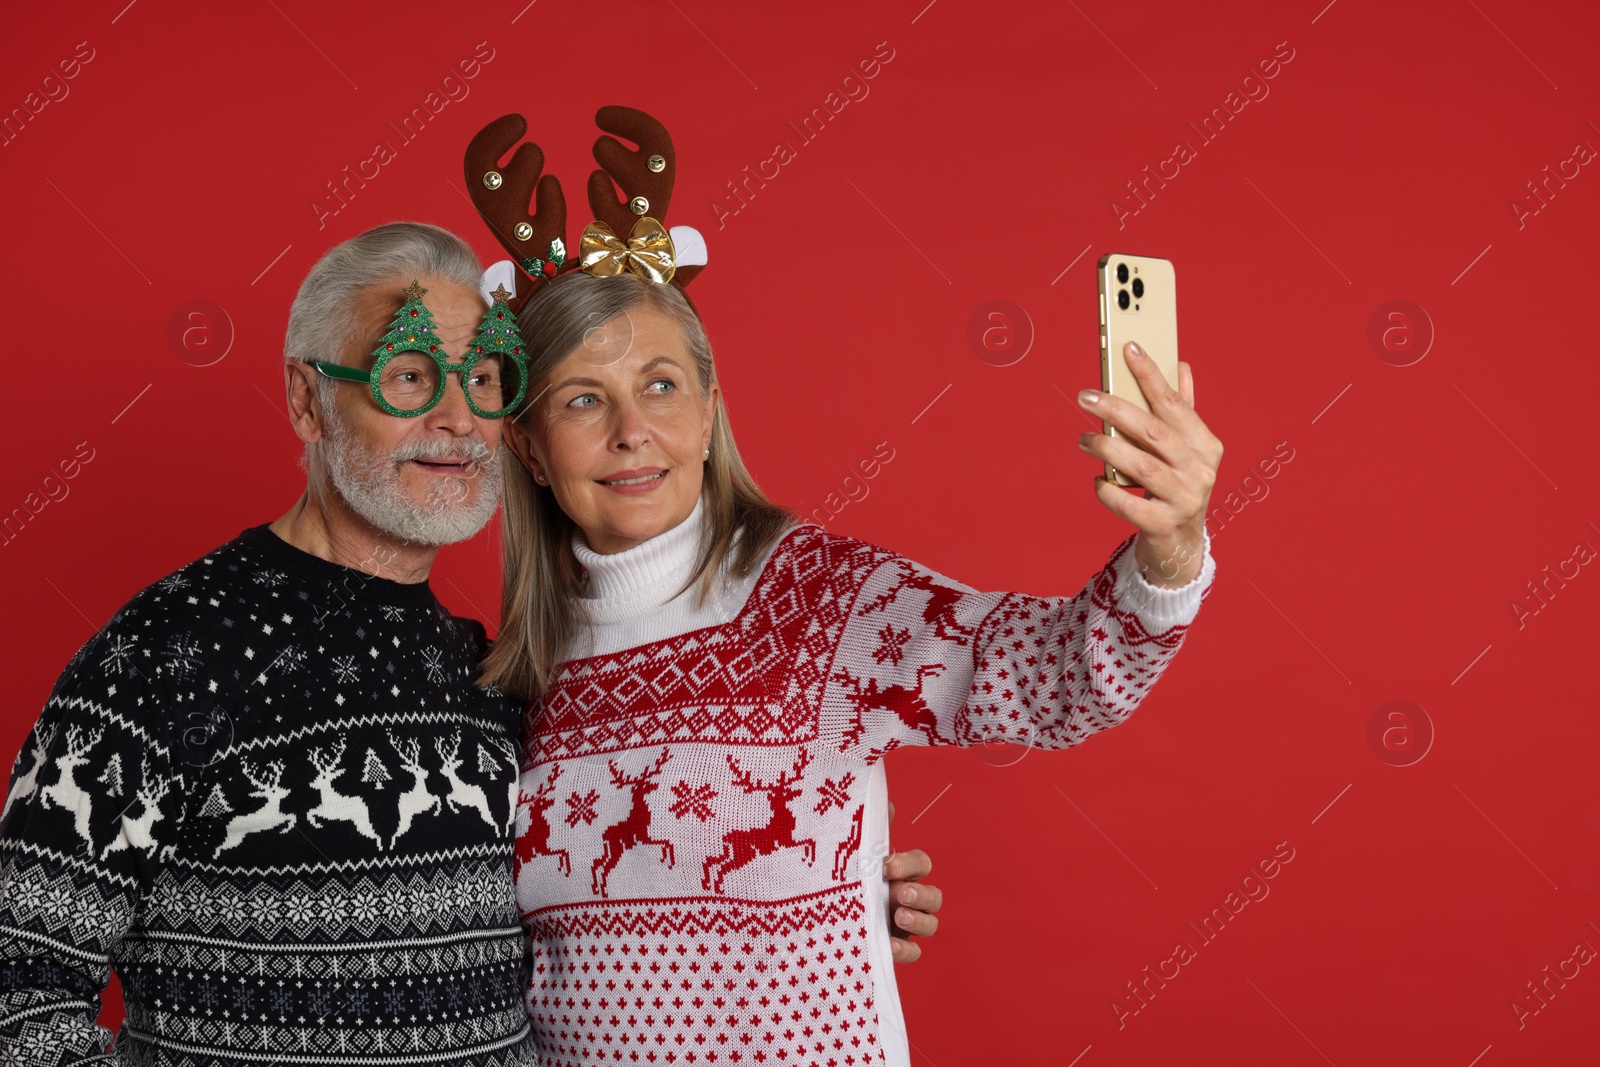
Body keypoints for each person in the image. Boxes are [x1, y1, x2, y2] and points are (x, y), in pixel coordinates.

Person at [0, 222, 943, 1064]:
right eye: (409, 376)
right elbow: (18, 994)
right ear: (307, 400)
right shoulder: (169, 650)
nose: (456, 420)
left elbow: (592, 914)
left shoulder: (490, 675)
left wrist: (825, 881)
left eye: (482, 380)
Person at [464, 107, 1222, 1064]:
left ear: (708, 410)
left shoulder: (820, 601)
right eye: (583, 399)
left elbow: (1055, 677)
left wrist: (1173, 541)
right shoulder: (508, 676)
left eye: (660, 384)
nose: (631, 430)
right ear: (529, 450)